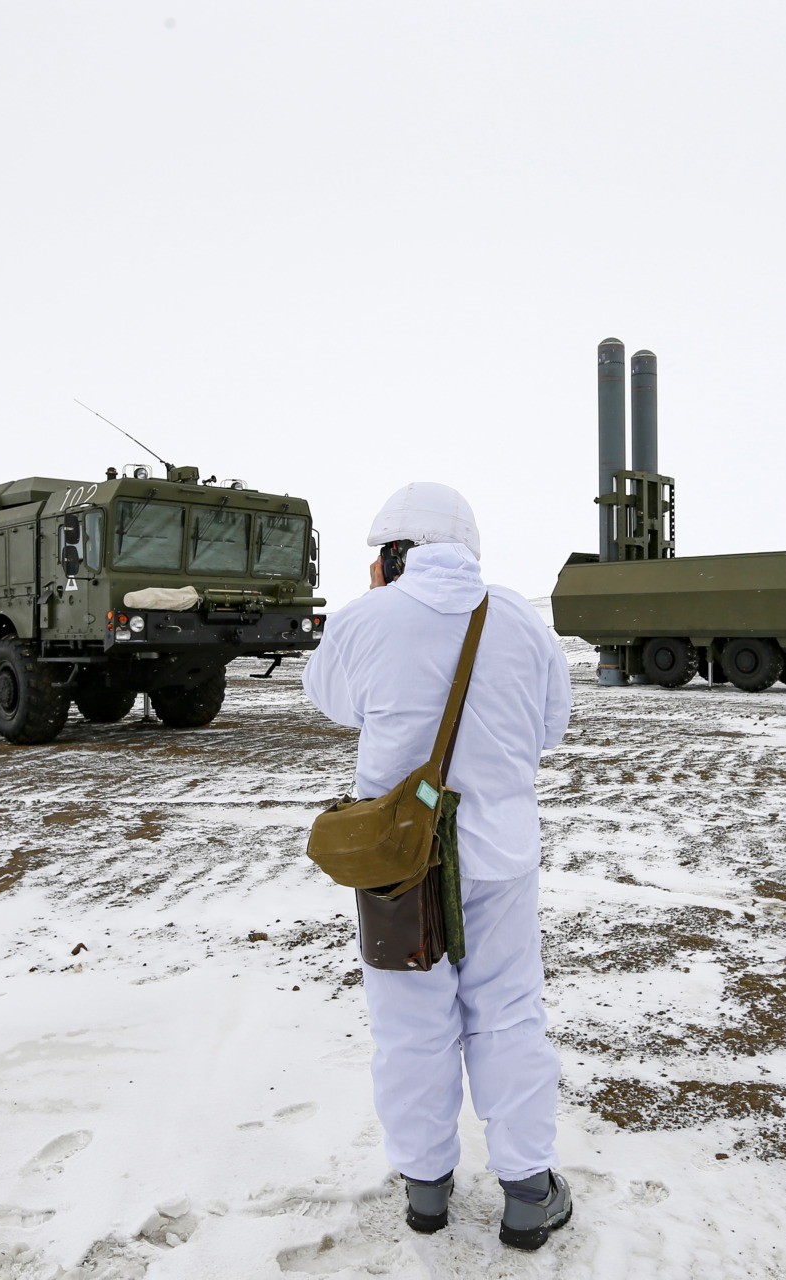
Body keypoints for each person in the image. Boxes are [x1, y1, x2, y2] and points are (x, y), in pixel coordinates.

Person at [302, 481, 575, 1250]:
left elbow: (330, 699)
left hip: (401, 861)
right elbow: (551, 729)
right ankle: (527, 1191)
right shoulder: (521, 620)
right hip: (501, 854)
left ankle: (426, 1189)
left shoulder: (366, 619)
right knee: (509, 1012)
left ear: (393, 553)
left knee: (410, 1024)